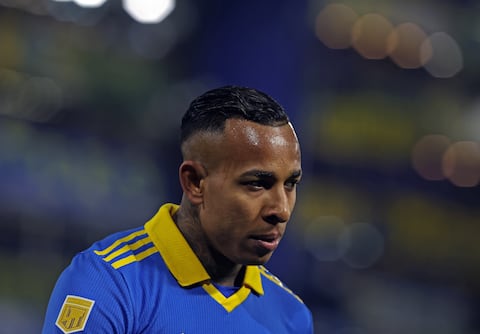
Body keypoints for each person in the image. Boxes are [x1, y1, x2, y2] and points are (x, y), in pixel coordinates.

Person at [42, 85, 313, 333]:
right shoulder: (108, 283)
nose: (281, 210)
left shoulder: (292, 316)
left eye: (290, 184)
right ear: (195, 182)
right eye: (256, 184)